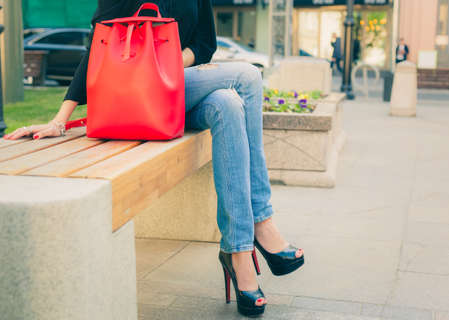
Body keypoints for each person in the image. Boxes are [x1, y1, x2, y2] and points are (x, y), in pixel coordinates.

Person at [3, 0, 304, 316]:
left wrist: (165, 61)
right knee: (247, 78)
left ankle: (237, 249)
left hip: (175, 87)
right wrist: (59, 119)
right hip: (136, 89)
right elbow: (97, 47)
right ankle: (260, 223)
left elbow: (204, 45)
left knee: (227, 103)